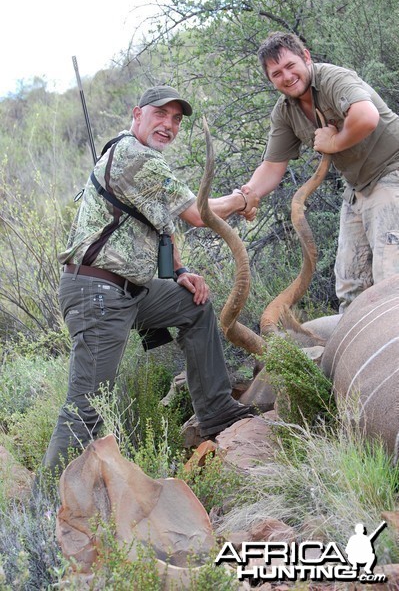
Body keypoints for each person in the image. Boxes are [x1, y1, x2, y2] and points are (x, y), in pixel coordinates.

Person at [42, 85, 259, 475]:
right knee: (86, 408)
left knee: (195, 304)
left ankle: (216, 412)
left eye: (176, 119)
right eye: (161, 114)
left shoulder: (142, 160)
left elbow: (161, 227)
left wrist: (179, 273)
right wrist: (243, 200)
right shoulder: (134, 155)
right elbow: (197, 213)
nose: (169, 125)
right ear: (136, 114)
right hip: (98, 293)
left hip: (130, 289)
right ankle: (45, 508)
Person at [240, 31, 399, 311]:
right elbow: (272, 167)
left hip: (392, 172)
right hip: (358, 188)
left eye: (290, 66)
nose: (287, 77)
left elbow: (367, 116)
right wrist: (246, 196)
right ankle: (355, 354)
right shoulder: (284, 111)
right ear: (270, 80)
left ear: (306, 58)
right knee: (351, 290)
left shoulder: (333, 78)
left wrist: (335, 141)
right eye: (277, 73)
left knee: (391, 280)